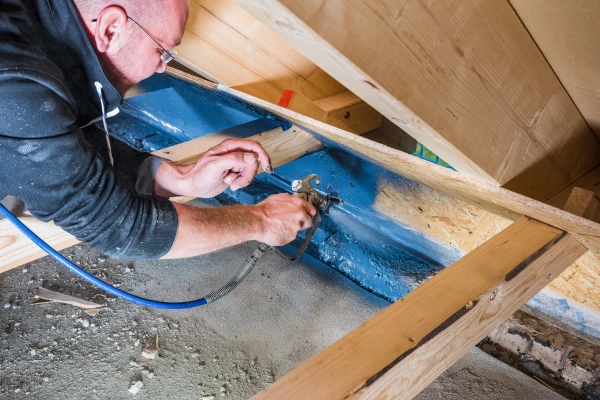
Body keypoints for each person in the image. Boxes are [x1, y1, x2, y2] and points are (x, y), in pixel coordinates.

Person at [0, 0, 316, 260]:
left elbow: (55, 140)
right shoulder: (16, 83)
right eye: (162, 51)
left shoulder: (35, 30)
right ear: (111, 28)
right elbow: (117, 224)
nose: (162, 67)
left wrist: (181, 177)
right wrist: (260, 221)